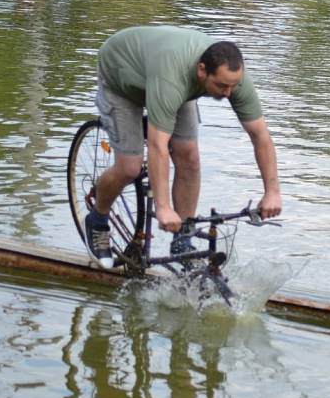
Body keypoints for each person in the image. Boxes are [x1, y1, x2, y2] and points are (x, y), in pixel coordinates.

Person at [83, 26, 282, 269]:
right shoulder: (172, 78)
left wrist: (272, 191)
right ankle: (97, 218)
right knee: (129, 167)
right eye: (221, 86)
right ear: (201, 71)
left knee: (189, 157)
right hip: (121, 75)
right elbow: (158, 146)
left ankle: (182, 240)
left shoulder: (233, 79)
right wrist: (164, 208)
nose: (228, 93)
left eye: (232, 86)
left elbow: (260, 135)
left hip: (165, 80)